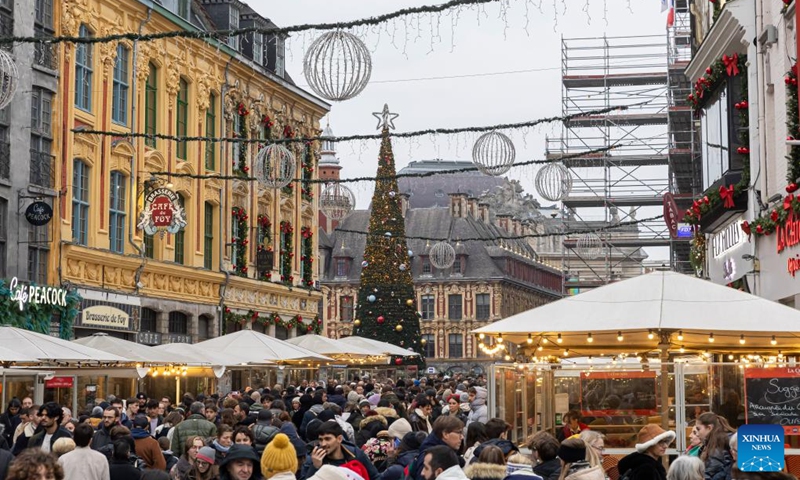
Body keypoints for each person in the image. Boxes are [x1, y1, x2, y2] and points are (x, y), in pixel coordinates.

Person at [300, 420, 379, 480]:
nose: (323, 444)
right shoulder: (313, 459)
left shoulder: (355, 454)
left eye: (328, 439)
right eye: (321, 440)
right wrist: (315, 467)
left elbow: (375, 477)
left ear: (339, 439)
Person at [412, 415, 466, 480]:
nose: (462, 437)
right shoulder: (429, 456)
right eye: (459, 432)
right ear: (445, 434)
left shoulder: (443, 453)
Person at [696, 413, 734, 480]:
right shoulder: (721, 441)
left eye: (698, 429)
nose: (697, 434)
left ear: (709, 428)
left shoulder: (717, 445)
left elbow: (712, 471)